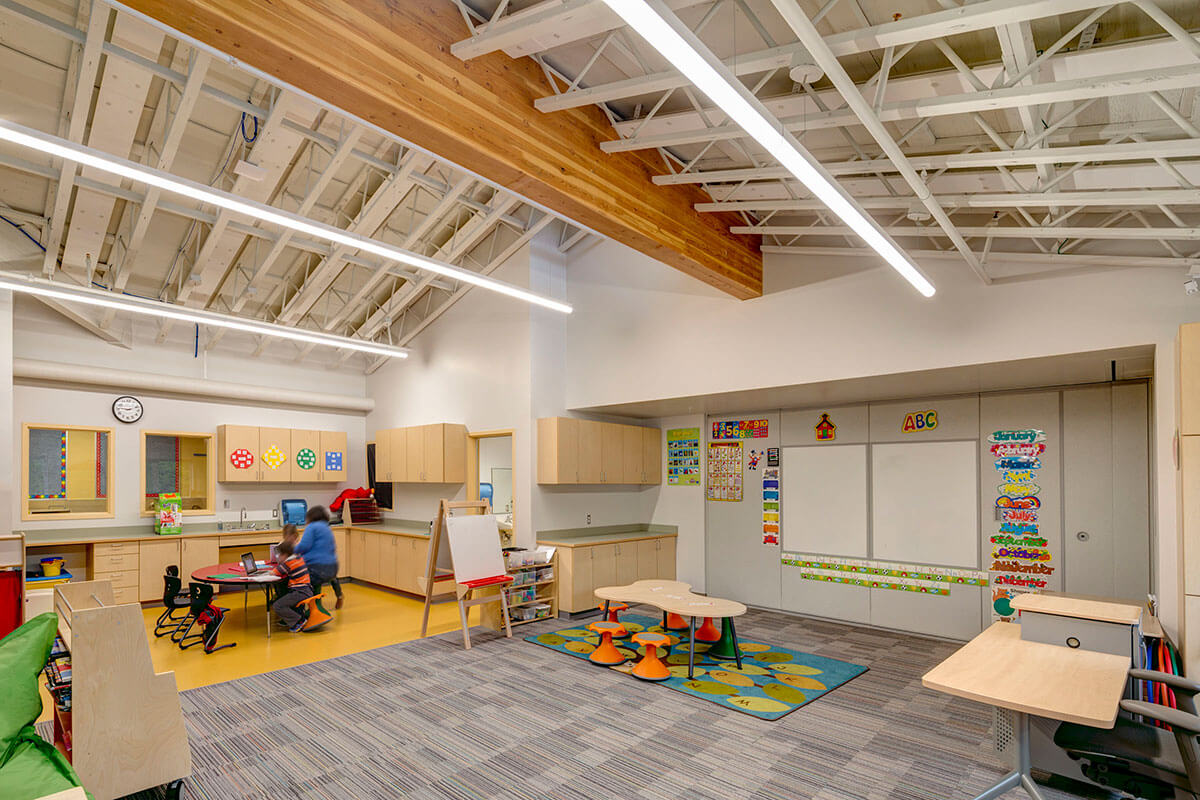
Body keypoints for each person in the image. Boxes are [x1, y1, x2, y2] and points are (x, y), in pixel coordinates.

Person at [295, 505, 344, 609]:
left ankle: (315, 607)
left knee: (304, 579)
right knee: (332, 577)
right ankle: (339, 595)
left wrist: (291, 550)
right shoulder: (326, 527)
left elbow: (304, 546)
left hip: (317, 569)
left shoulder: (311, 527)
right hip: (333, 567)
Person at [271, 538, 313, 633]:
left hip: (300, 592)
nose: (279, 557)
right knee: (284, 596)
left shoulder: (288, 563)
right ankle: (296, 619)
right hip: (306, 589)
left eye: (280, 554)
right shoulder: (298, 558)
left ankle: (298, 621)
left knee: (277, 605)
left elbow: (274, 573)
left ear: (285, 555)